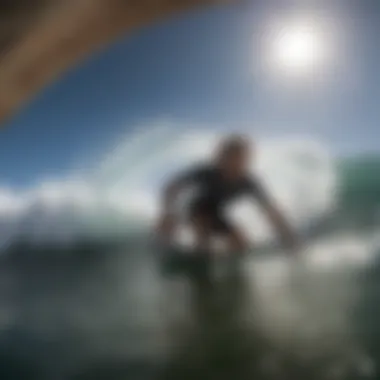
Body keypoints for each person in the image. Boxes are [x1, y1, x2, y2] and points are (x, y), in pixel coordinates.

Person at [156, 135, 300, 255]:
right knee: (203, 234)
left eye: (241, 160)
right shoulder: (206, 172)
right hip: (195, 209)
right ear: (221, 158)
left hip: (217, 214)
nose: (234, 165)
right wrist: (167, 212)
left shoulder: (249, 182)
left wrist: (288, 236)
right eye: (229, 157)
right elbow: (171, 187)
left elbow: (271, 211)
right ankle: (192, 260)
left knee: (241, 243)